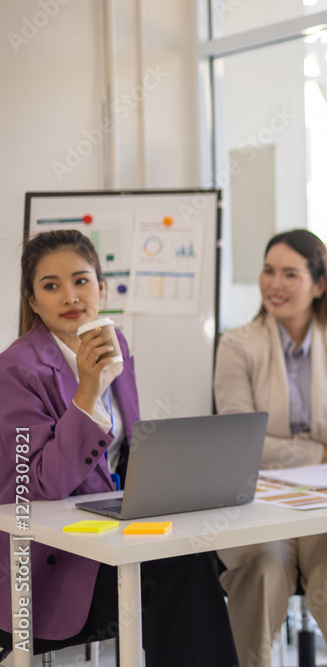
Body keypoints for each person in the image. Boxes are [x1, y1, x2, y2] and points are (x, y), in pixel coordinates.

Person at [0, 230, 238, 666]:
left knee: (193, 556)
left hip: (114, 531)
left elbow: (126, 456)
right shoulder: (16, 369)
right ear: (33, 301)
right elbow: (36, 484)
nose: (70, 295)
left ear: (102, 287)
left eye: (81, 280)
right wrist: (87, 394)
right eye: (51, 286)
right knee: (179, 572)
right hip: (53, 560)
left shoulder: (117, 345)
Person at [214, 229, 327, 667]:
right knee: (262, 566)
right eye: (269, 271)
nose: (275, 283)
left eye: (291, 273)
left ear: (319, 284)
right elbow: (241, 444)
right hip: (259, 505)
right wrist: (326, 452)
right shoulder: (237, 346)